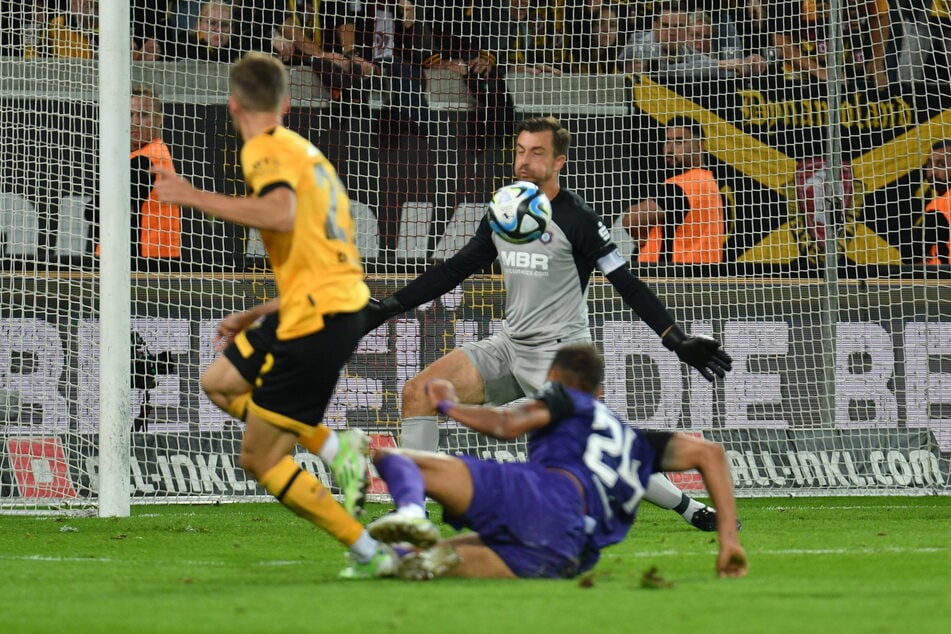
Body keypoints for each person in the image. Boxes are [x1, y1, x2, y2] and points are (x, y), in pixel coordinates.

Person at [365, 115, 735, 532]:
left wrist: (675, 338)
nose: (524, 161)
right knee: (419, 393)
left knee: (597, 448)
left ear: (559, 161)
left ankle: (689, 507)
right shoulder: (505, 209)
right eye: (520, 151)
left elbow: (625, 282)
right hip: (510, 344)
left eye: (536, 152)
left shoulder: (576, 217)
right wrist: (388, 306)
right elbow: (457, 268)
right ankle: (414, 514)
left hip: (560, 355)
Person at [151, 52, 398, 579]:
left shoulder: (264, 150)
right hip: (320, 303)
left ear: (232, 105)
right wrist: (258, 311)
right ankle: (337, 448)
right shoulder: (306, 154)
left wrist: (190, 195)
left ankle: (371, 551)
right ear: (286, 102)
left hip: (319, 319)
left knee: (259, 460)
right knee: (219, 382)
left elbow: (279, 212)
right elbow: (321, 257)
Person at [365, 343, 748, 580]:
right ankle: (403, 554)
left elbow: (505, 424)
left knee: (396, 459)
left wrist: (448, 403)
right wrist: (728, 539)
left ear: (552, 378)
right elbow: (710, 454)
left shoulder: (565, 399)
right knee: (430, 563)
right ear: (600, 391)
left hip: (541, 500)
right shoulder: (630, 439)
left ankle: (412, 517)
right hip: (569, 551)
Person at [87, 85, 183, 271]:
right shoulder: (146, 153)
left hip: (143, 258)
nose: (135, 122)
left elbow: (96, 211)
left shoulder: (147, 158)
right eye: (130, 115)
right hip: (151, 254)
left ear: (159, 119)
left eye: (143, 115)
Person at [621, 116, 726, 265]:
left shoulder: (687, 183)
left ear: (700, 145)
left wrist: (642, 239)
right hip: (698, 276)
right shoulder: (707, 181)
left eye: (679, 141)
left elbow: (631, 220)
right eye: (667, 141)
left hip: (669, 277)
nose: (669, 149)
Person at [920, 139, 951, 265]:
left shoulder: (941, 204)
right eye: (930, 164)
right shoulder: (937, 202)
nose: (933, 172)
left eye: (941, 165)